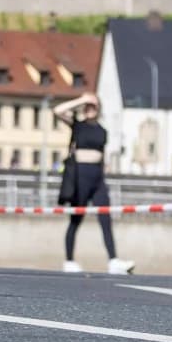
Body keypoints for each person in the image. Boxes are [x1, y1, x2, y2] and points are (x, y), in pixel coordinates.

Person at [54, 92, 134, 274]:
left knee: (105, 217)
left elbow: (102, 155)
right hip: (80, 174)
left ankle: (113, 260)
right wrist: (82, 99)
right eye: (88, 106)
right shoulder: (78, 126)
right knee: (76, 218)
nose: (90, 109)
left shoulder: (102, 131)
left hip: (97, 177)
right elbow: (57, 110)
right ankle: (69, 260)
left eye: (94, 106)